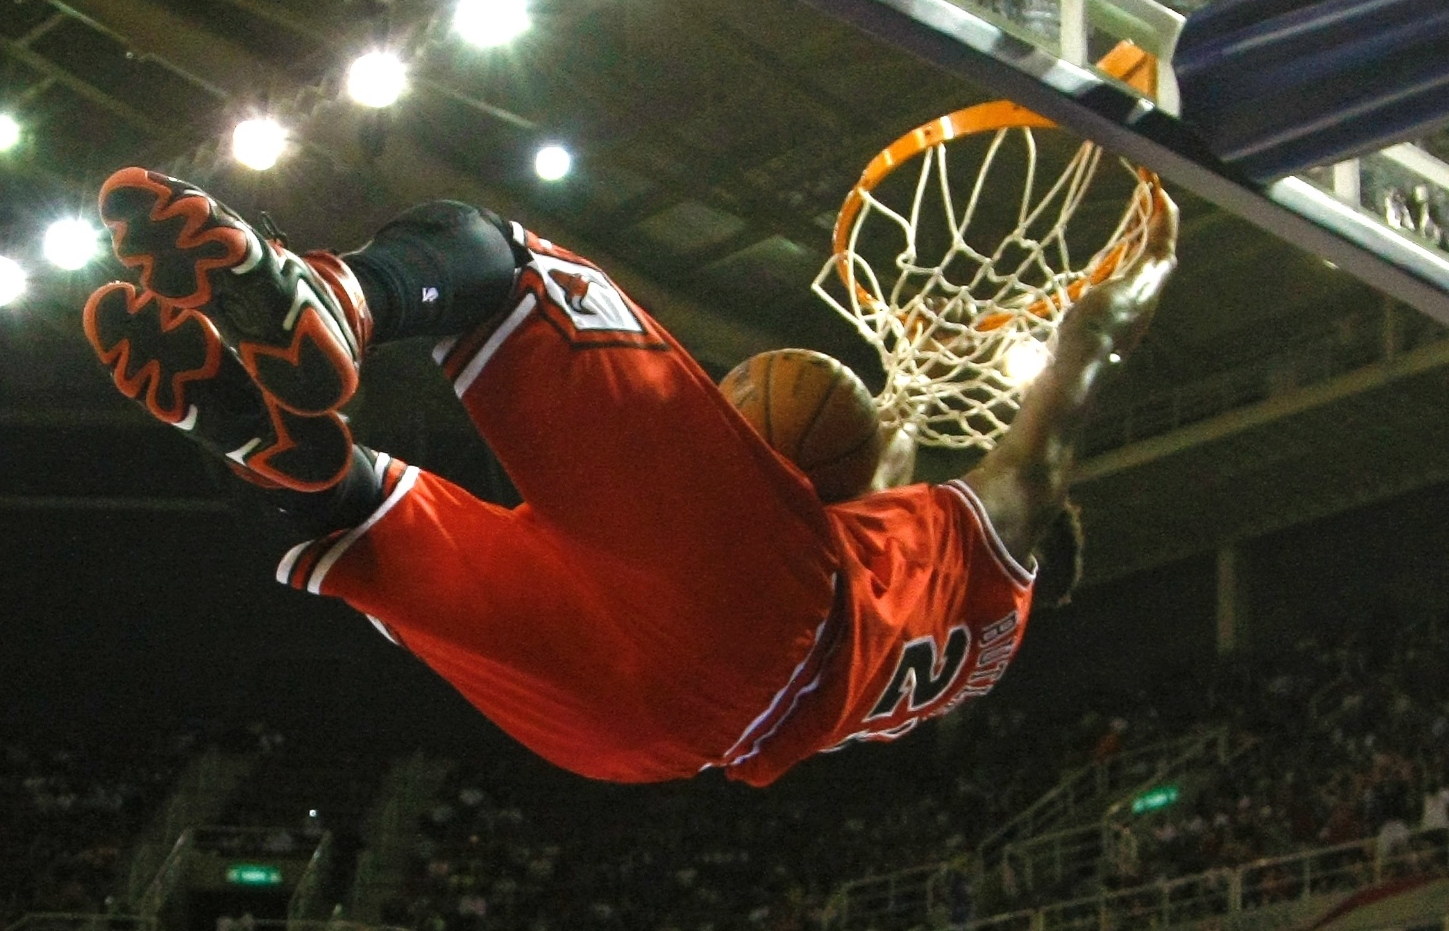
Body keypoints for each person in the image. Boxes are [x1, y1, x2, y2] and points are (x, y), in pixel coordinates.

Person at [82, 166, 1177, 785]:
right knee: (366, 523)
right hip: (644, 738)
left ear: (1053, 540)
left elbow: (1059, 405)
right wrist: (896, 411)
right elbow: (872, 502)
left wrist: (1138, 278)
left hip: (766, 599)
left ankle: (344, 298)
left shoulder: (1006, 532)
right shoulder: (968, 656)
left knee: (499, 262)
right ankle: (250, 425)